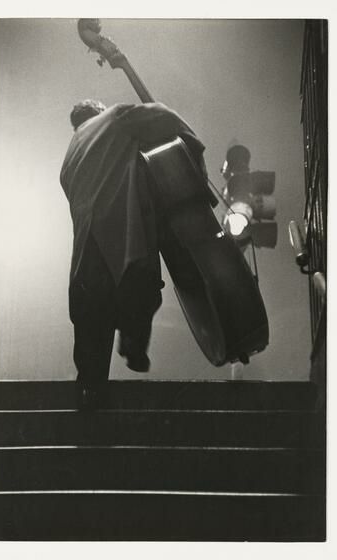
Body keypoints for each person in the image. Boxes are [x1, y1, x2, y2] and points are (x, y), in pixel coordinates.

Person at [60, 99, 207, 406]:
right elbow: (166, 116)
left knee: (91, 325)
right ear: (99, 112)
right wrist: (193, 153)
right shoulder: (116, 116)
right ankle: (133, 340)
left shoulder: (70, 156)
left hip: (86, 252)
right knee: (141, 291)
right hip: (123, 233)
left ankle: (89, 396)